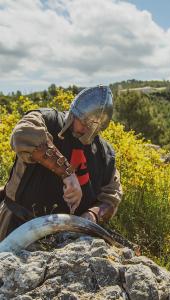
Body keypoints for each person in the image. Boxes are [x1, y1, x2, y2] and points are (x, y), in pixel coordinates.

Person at [0, 85, 123, 241]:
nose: (86, 131)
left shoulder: (105, 154)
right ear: (74, 112)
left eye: (94, 128)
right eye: (84, 123)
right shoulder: (46, 120)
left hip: (69, 240)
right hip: (17, 225)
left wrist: (93, 215)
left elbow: (112, 195)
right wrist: (67, 173)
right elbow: (22, 135)